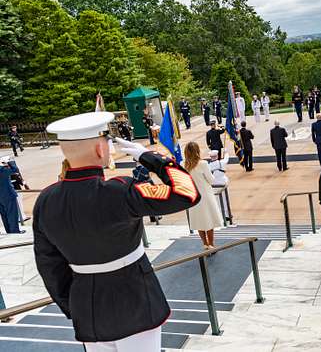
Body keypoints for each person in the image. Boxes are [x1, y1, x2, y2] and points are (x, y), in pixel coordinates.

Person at [34, 112, 200, 351]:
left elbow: (48, 264)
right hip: (135, 301)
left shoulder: (46, 200)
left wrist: (73, 304)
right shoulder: (120, 191)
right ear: (100, 150)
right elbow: (187, 193)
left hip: (87, 307)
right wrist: (150, 157)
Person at [183, 142, 223, 249]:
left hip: (193, 196)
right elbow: (211, 180)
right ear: (197, 151)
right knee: (208, 221)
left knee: (200, 221)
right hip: (205, 195)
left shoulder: (183, 164)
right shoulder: (203, 164)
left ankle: (205, 244)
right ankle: (211, 244)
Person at [0, 157, 22, 234]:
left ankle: (8, 231)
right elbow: (15, 170)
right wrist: (10, 161)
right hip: (8, 195)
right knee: (12, 214)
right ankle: (15, 232)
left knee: (4, 215)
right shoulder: (2, 170)